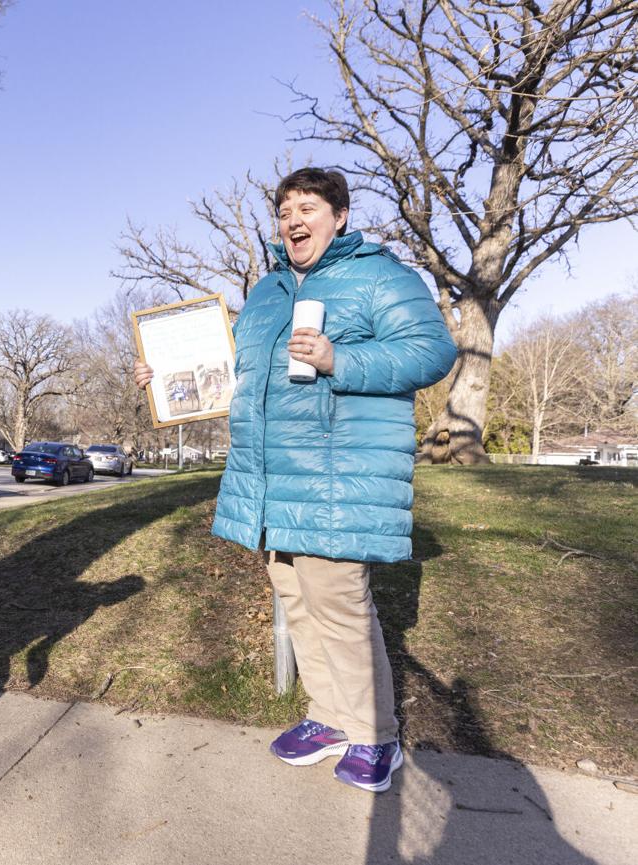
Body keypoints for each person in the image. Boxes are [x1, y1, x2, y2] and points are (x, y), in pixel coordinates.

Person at [135, 168, 456, 793]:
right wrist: (166, 376)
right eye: (284, 212)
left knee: (339, 606)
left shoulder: (381, 276)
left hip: (338, 477)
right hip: (270, 480)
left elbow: (432, 351)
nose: (293, 221)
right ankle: (330, 717)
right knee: (298, 603)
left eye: (307, 207)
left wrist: (343, 359)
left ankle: (375, 735)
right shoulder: (267, 292)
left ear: (339, 215)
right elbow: (230, 373)